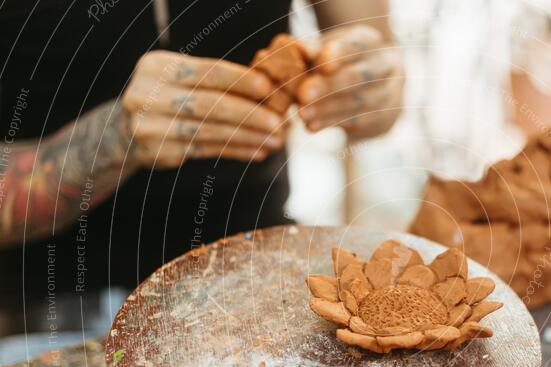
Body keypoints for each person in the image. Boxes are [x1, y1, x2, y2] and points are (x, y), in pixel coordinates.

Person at [0, 0, 404, 340]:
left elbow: (381, 66)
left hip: (254, 264)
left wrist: (370, 82)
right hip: (46, 295)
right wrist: (115, 138)